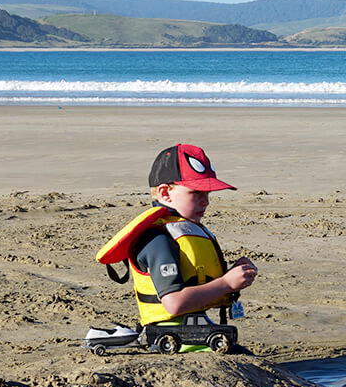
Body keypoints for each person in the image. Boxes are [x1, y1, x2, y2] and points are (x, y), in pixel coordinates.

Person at [94, 144, 258, 344]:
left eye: (208, 194)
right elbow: (174, 304)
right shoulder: (158, 239)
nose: (206, 201)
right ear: (165, 193)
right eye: (196, 193)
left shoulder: (184, 230)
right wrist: (225, 284)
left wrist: (232, 276)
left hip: (196, 329)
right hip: (173, 339)